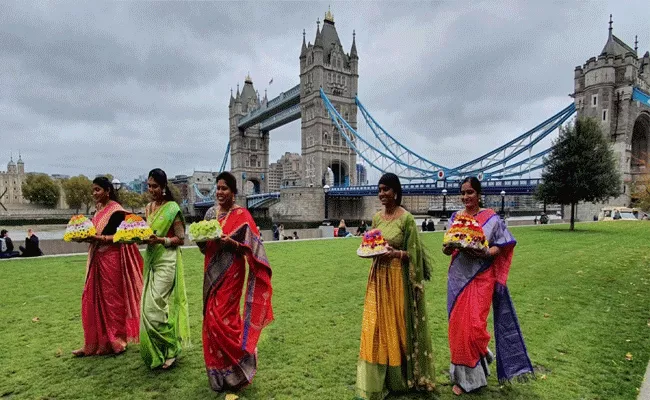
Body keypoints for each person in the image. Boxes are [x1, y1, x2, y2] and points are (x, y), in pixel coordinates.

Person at [442, 177, 533, 395]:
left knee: (474, 328)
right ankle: (466, 379)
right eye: (463, 193)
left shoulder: (491, 218)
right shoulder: (456, 218)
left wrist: (484, 252)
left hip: (482, 278)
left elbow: (501, 247)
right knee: (458, 330)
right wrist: (447, 247)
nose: (466, 197)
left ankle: (482, 353)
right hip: (457, 279)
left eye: (470, 192)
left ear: (479, 194)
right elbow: (448, 246)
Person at [356, 173, 435, 399]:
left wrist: (396, 254)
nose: (382, 194)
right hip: (378, 278)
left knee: (398, 326)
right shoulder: (376, 218)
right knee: (375, 327)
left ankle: (400, 379)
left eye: (386, 190)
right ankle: (376, 378)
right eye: (380, 189)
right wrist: (372, 252)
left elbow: (415, 255)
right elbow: (373, 246)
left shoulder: (407, 219)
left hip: (398, 279)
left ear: (396, 192)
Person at [198, 172, 273, 393]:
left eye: (225, 189)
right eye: (218, 188)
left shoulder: (242, 215)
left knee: (224, 320)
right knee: (210, 322)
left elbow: (252, 248)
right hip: (211, 270)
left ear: (234, 191)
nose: (220, 193)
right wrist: (202, 242)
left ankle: (242, 364)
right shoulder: (211, 213)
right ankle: (220, 376)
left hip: (231, 271)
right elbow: (204, 247)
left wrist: (232, 243)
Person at [72, 177, 144, 357]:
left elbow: (121, 236)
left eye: (98, 190)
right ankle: (94, 342)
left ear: (108, 190)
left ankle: (117, 340)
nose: (94, 194)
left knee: (113, 300)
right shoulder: (98, 211)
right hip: (96, 258)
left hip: (111, 258)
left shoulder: (116, 211)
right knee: (91, 298)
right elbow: (93, 233)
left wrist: (100, 239)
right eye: (93, 190)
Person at [140, 168, 190, 370]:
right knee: (146, 308)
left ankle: (172, 347)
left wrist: (160, 240)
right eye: (149, 186)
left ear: (163, 187)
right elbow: (146, 232)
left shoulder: (172, 209)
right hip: (151, 260)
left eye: (155, 186)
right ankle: (161, 350)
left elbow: (181, 239)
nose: (151, 189)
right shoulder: (148, 208)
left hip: (167, 261)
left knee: (155, 308)